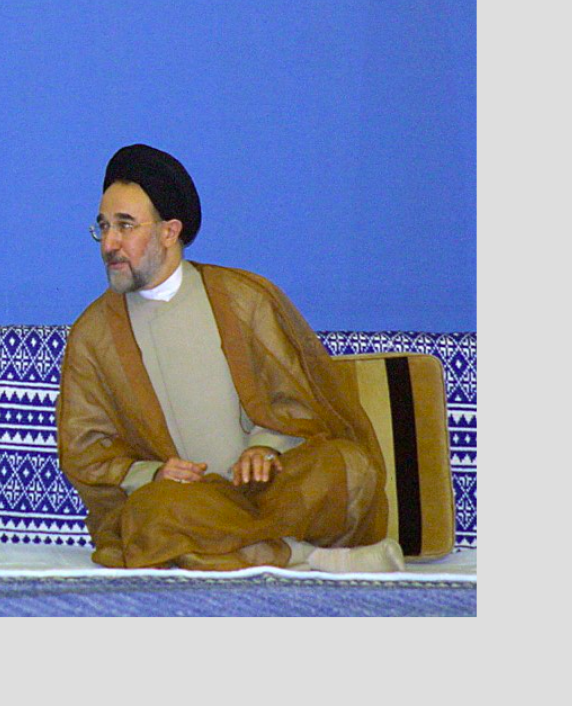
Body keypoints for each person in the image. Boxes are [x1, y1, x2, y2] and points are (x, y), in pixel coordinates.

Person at [56, 144, 403, 573]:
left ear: (170, 232)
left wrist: (265, 448)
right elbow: (86, 450)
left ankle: (237, 548)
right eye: (104, 226)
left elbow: (297, 404)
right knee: (153, 517)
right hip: (187, 500)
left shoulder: (243, 299)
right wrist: (153, 474)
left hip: (271, 490)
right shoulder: (94, 335)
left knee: (348, 468)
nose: (109, 243)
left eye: (125, 226)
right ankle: (307, 556)